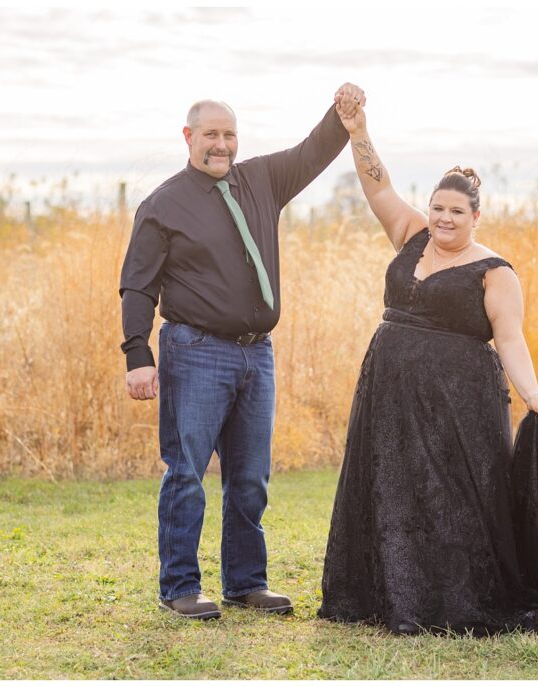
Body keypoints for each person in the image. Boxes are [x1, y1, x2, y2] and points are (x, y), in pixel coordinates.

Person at [317, 102, 538, 637]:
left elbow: (511, 338)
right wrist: (359, 131)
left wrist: (533, 395)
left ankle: (453, 599)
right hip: (388, 388)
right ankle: (390, 594)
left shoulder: (494, 271)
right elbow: (376, 185)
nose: (444, 219)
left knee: (454, 498)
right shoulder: (410, 234)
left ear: (476, 216)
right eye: (438, 208)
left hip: (460, 401)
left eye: (456, 211)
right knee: (389, 483)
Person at [119, 83, 366, 620]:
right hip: (195, 351)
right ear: (189, 137)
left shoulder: (260, 180)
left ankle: (246, 583)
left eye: (229, 134)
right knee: (186, 471)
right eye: (211, 134)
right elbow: (138, 286)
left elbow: (312, 152)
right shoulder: (162, 205)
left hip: (258, 355)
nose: (222, 145)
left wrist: (340, 113)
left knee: (250, 477)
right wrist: (137, 354)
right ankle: (180, 587)